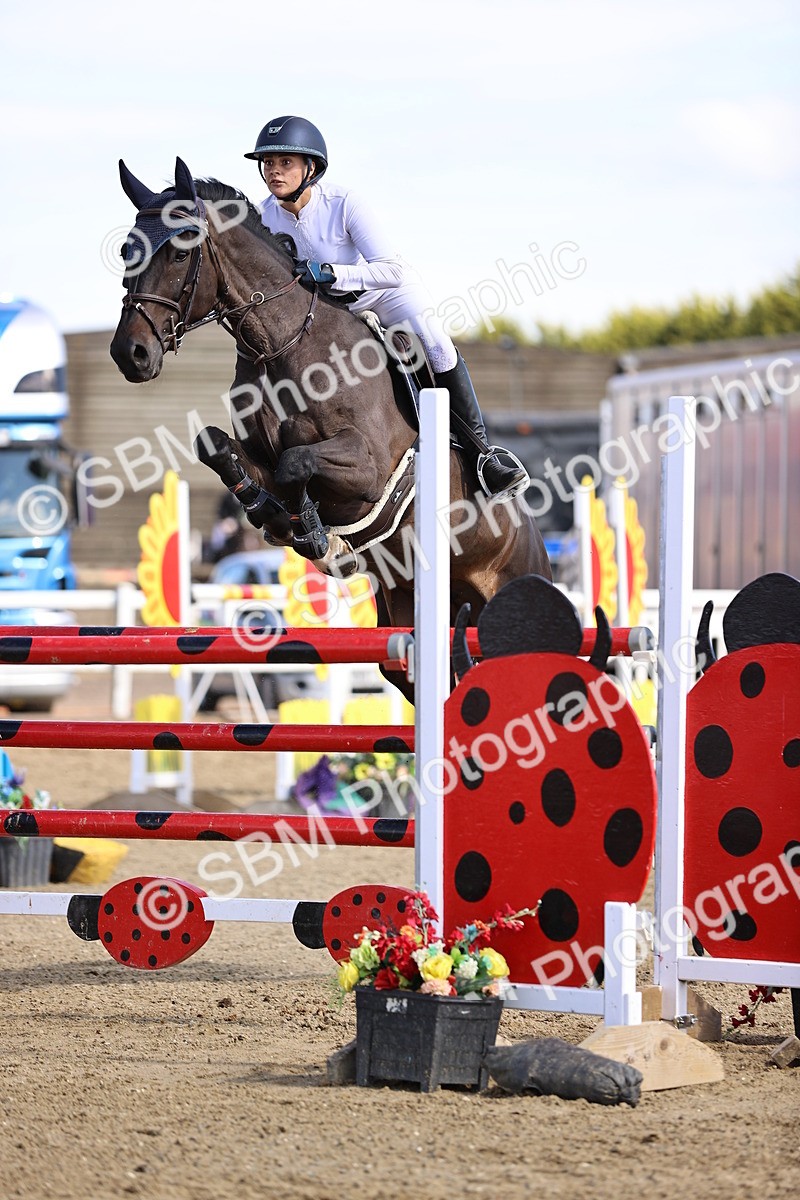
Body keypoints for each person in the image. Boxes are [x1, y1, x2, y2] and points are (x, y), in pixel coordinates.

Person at [244, 115, 529, 499]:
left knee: (437, 343)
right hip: (328, 311)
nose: (274, 171)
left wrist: (332, 273)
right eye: (268, 163)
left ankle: (483, 454)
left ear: (310, 167)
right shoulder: (263, 216)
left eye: (285, 162)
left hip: (382, 292)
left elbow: (391, 270)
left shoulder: (344, 203)